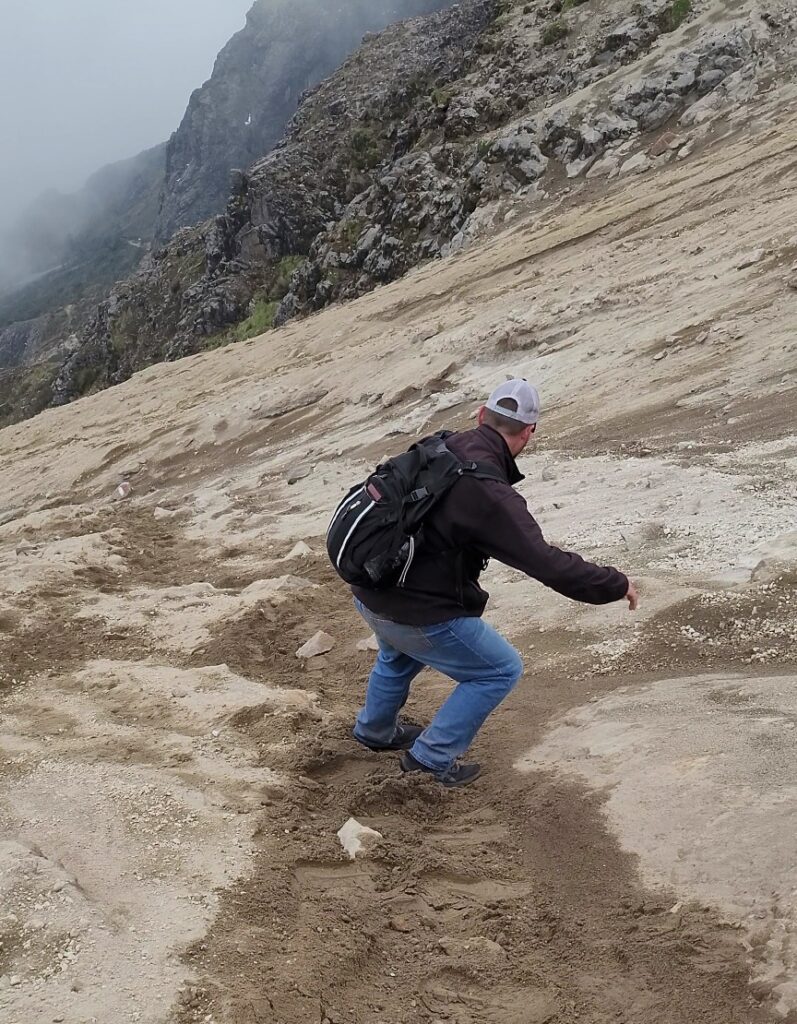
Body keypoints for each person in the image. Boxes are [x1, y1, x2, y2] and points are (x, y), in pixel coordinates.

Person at [351, 378, 639, 786]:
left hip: (370, 589)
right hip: (412, 609)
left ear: (481, 415)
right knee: (499, 669)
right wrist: (615, 583)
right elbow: (548, 564)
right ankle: (430, 760)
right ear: (529, 432)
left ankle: (373, 732)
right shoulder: (489, 492)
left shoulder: (439, 446)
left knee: (397, 653)